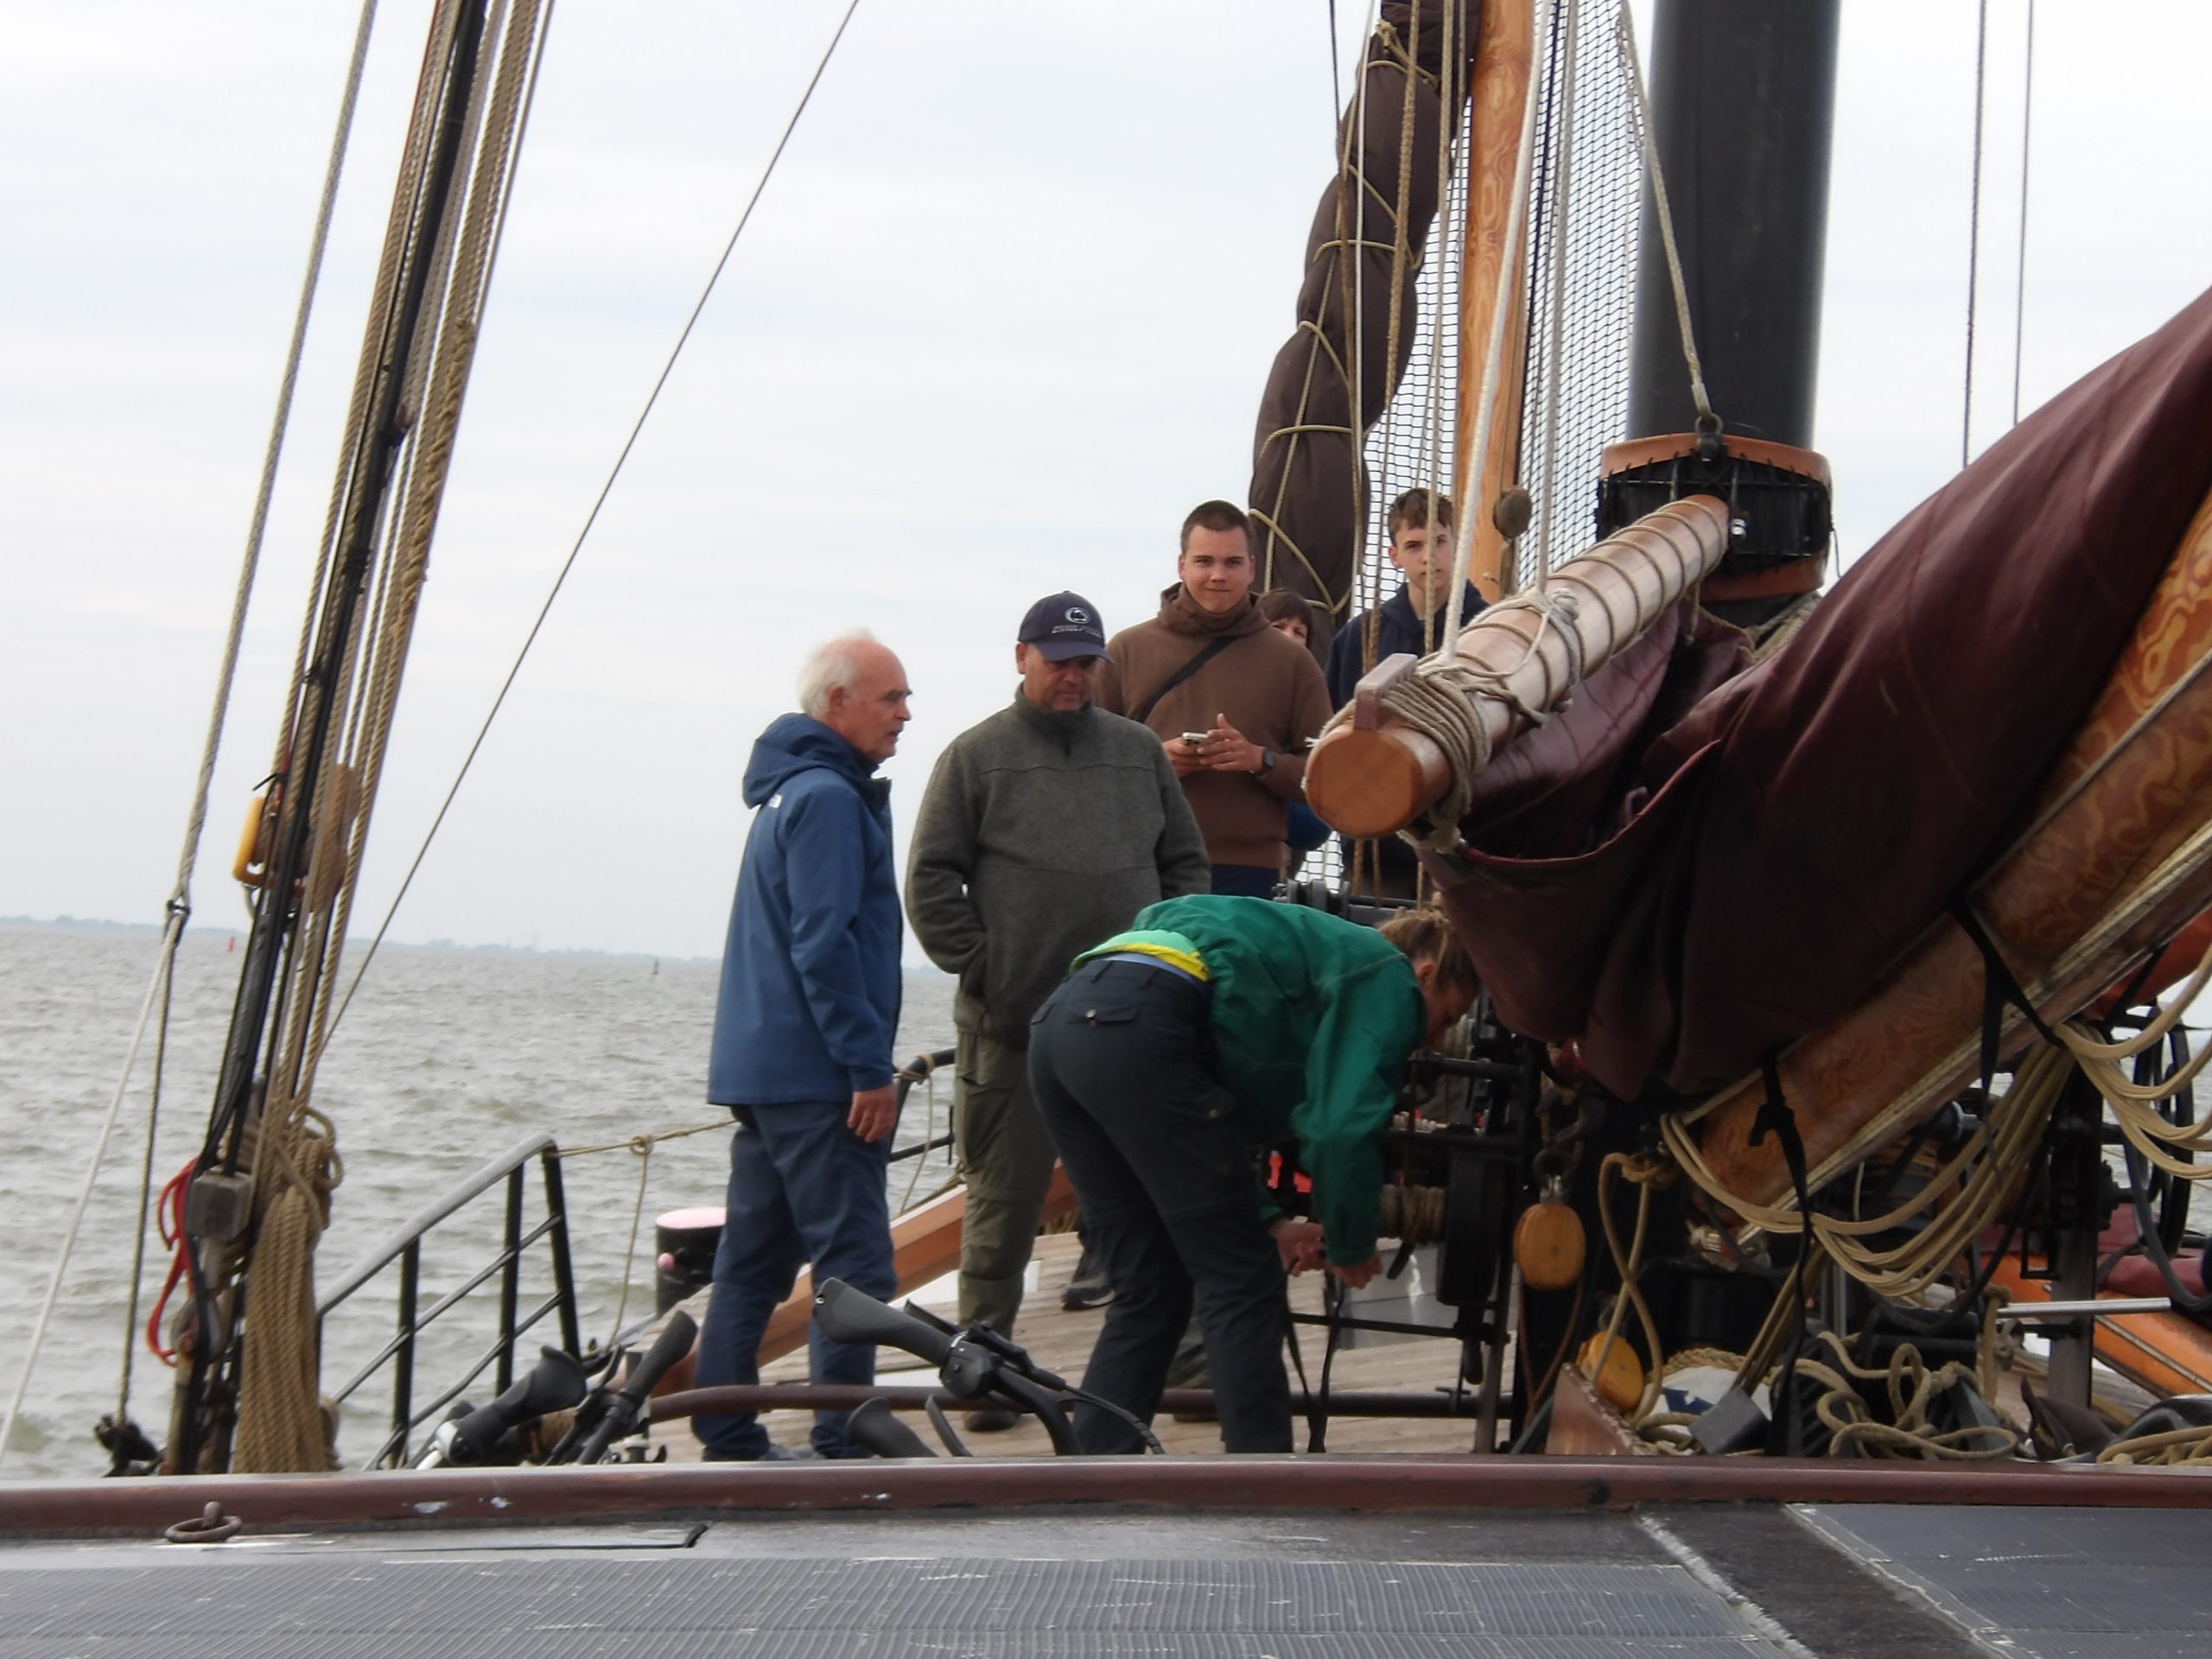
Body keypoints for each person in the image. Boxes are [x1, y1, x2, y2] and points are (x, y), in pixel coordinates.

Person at [1027, 897, 1478, 1453]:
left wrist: (1271, 1223)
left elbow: (1206, 1133)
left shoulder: (1305, 962)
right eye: (1446, 1018)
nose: (1434, 1042)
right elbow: (1340, 1130)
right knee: (1241, 1280)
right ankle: (1262, 1483)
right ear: (1425, 975)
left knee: (1150, 1287)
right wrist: (1351, 1239)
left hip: (1062, 1027)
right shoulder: (1389, 974)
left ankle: (1089, 1477)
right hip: (1144, 1027)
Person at [904, 592, 1209, 1399]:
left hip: (1130, 1029)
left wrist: (1166, 961)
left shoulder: (1138, 753)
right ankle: (984, 1374)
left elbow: (1185, 865)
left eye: (1086, 664)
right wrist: (987, 969)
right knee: (1001, 1211)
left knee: (1160, 1199)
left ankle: (1180, 1367)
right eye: (1059, 661)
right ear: (1021, 658)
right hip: (1013, 1030)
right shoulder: (975, 757)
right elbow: (930, 879)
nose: (1074, 677)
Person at [693, 632, 912, 1461]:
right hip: (820, 1079)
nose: (905, 714)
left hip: (765, 1072)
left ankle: (725, 1430)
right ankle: (843, 1440)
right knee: (854, 1266)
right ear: (838, 704)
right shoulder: (827, 799)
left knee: (752, 1264)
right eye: (891, 698)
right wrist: (867, 1067)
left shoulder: (786, 793)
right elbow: (824, 947)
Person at [1096, 501, 1334, 899]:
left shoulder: (1293, 663)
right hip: (1144, 864)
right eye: (1204, 561)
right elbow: (1085, 768)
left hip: (1250, 874)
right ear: (1182, 565)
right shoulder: (1126, 651)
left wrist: (1259, 760)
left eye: (1232, 563)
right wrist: (1154, 764)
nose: (1218, 575)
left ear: (1251, 569)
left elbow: (1327, 778)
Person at [1325, 488, 1486, 898]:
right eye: (1414, 546)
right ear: (1394, 555)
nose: (1429, 557)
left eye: (1440, 542)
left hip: (1469, 851)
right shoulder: (1360, 638)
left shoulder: (1489, 631)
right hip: (1378, 857)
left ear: (1457, 545)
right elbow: (1333, 732)